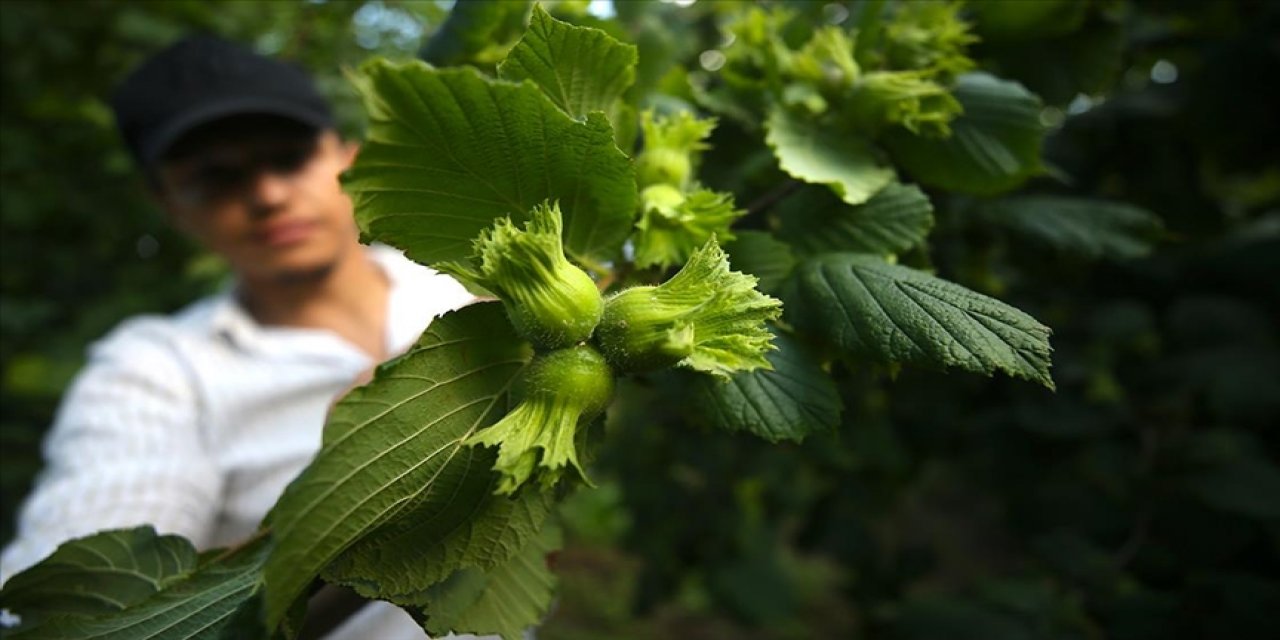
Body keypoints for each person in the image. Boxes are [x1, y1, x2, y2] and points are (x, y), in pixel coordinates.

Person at [0, 35, 484, 639]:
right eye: (216, 178)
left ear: (348, 155)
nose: (267, 195)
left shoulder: (468, 281)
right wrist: (355, 466)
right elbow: (76, 609)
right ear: (168, 204)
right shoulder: (155, 374)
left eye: (288, 158)